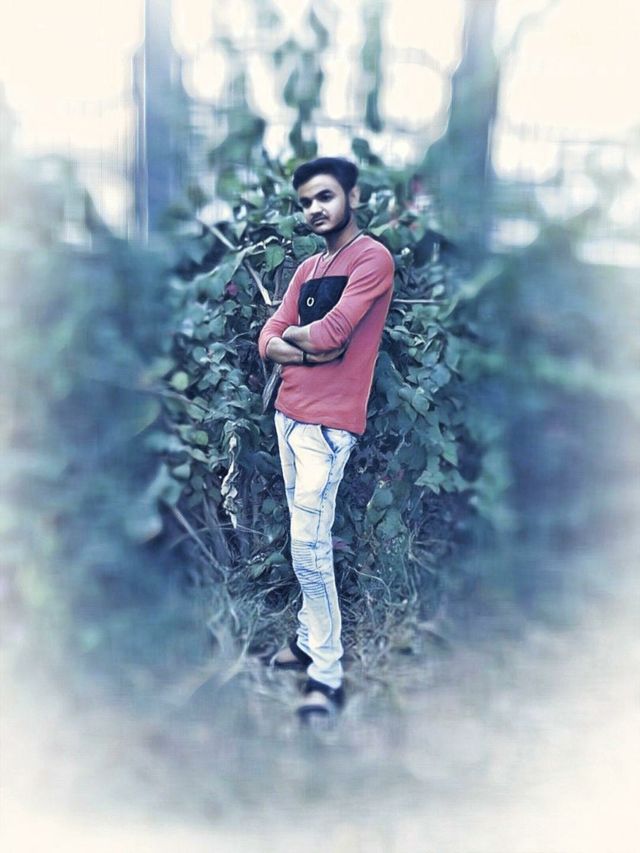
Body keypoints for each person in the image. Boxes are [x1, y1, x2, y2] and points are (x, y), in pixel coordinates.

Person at [257, 156, 394, 719]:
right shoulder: (308, 268)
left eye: (325, 196)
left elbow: (335, 335)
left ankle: (328, 673)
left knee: (309, 549)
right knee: (304, 537)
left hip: (328, 427)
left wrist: (299, 342)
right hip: (287, 416)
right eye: (306, 202)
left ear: (352, 197)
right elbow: (267, 337)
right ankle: (307, 640)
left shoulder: (372, 258)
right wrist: (301, 346)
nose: (315, 208)